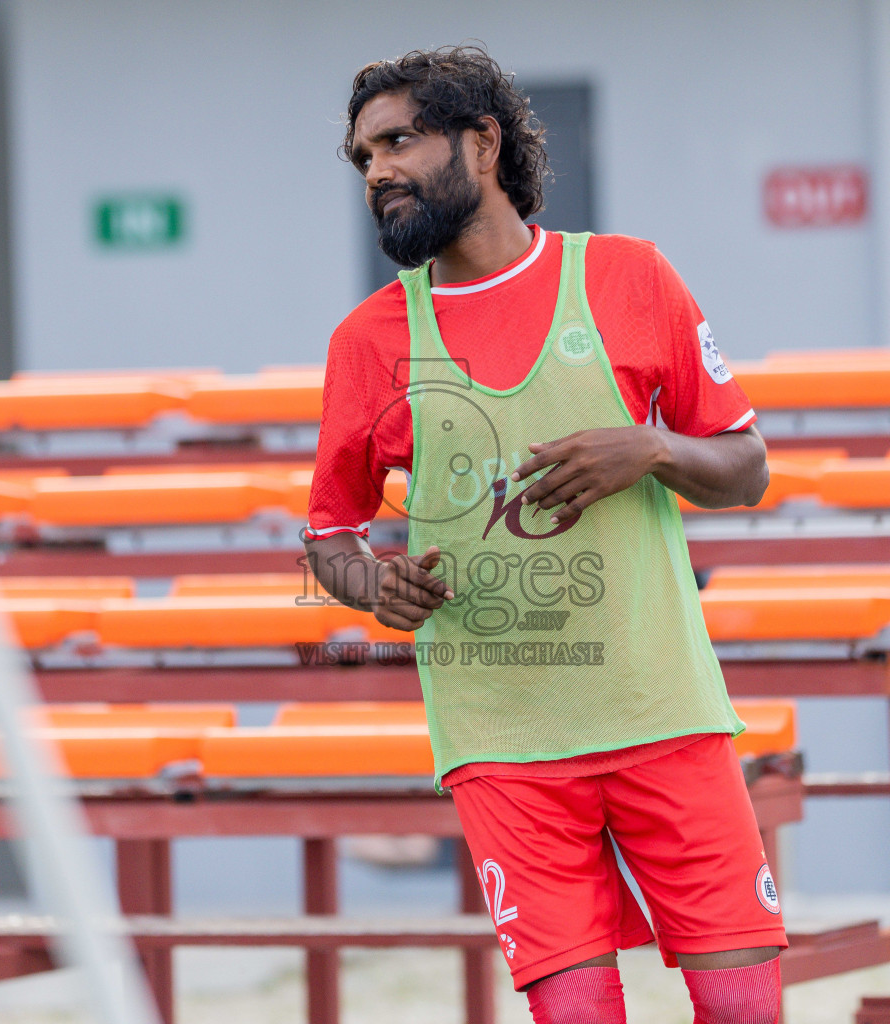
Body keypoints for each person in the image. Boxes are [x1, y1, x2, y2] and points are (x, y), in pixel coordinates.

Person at [304, 45, 785, 1024]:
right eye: (363, 158)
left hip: (665, 717)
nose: (379, 171)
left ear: (482, 144)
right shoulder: (370, 342)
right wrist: (371, 586)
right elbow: (328, 537)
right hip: (504, 744)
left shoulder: (628, 277)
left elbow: (747, 467)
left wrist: (649, 450)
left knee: (744, 1011)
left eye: (400, 140)